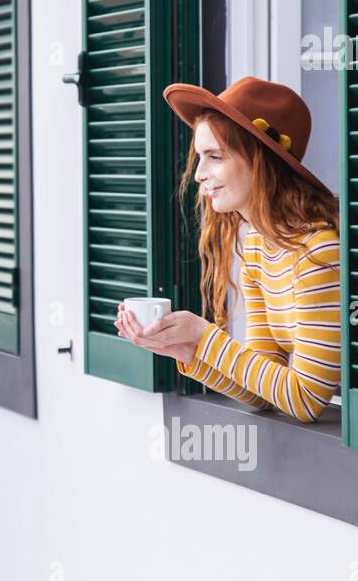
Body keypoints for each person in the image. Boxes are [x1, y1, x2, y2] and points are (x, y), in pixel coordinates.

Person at [117, 76, 342, 422]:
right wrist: (188, 350)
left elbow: (306, 399)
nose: (199, 174)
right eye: (199, 157)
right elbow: (260, 391)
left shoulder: (318, 252)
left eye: (215, 156)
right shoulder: (259, 246)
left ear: (261, 160)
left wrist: (204, 335)